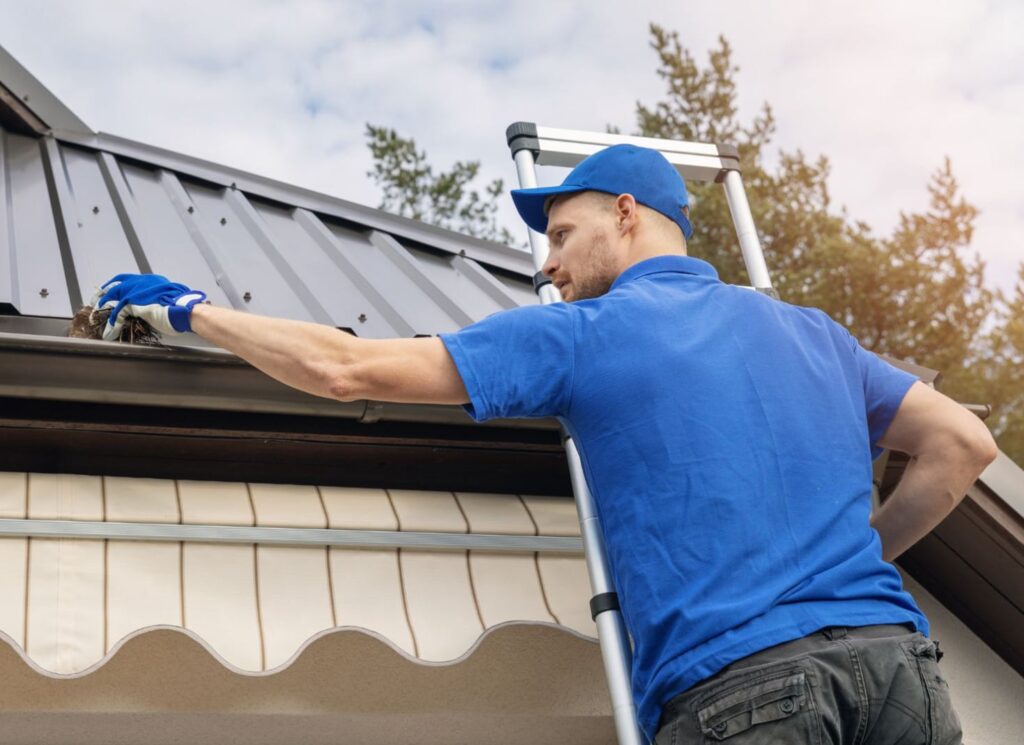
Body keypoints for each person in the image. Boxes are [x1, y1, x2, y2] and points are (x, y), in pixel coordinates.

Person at [92, 144, 996, 744]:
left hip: (747, 692)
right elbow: (961, 443)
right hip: (900, 680)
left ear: (629, 214)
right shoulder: (815, 334)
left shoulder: (587, 333)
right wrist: (848, 560)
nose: (548, 264)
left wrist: (189, 310)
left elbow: (346, 369)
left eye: (563, 234)